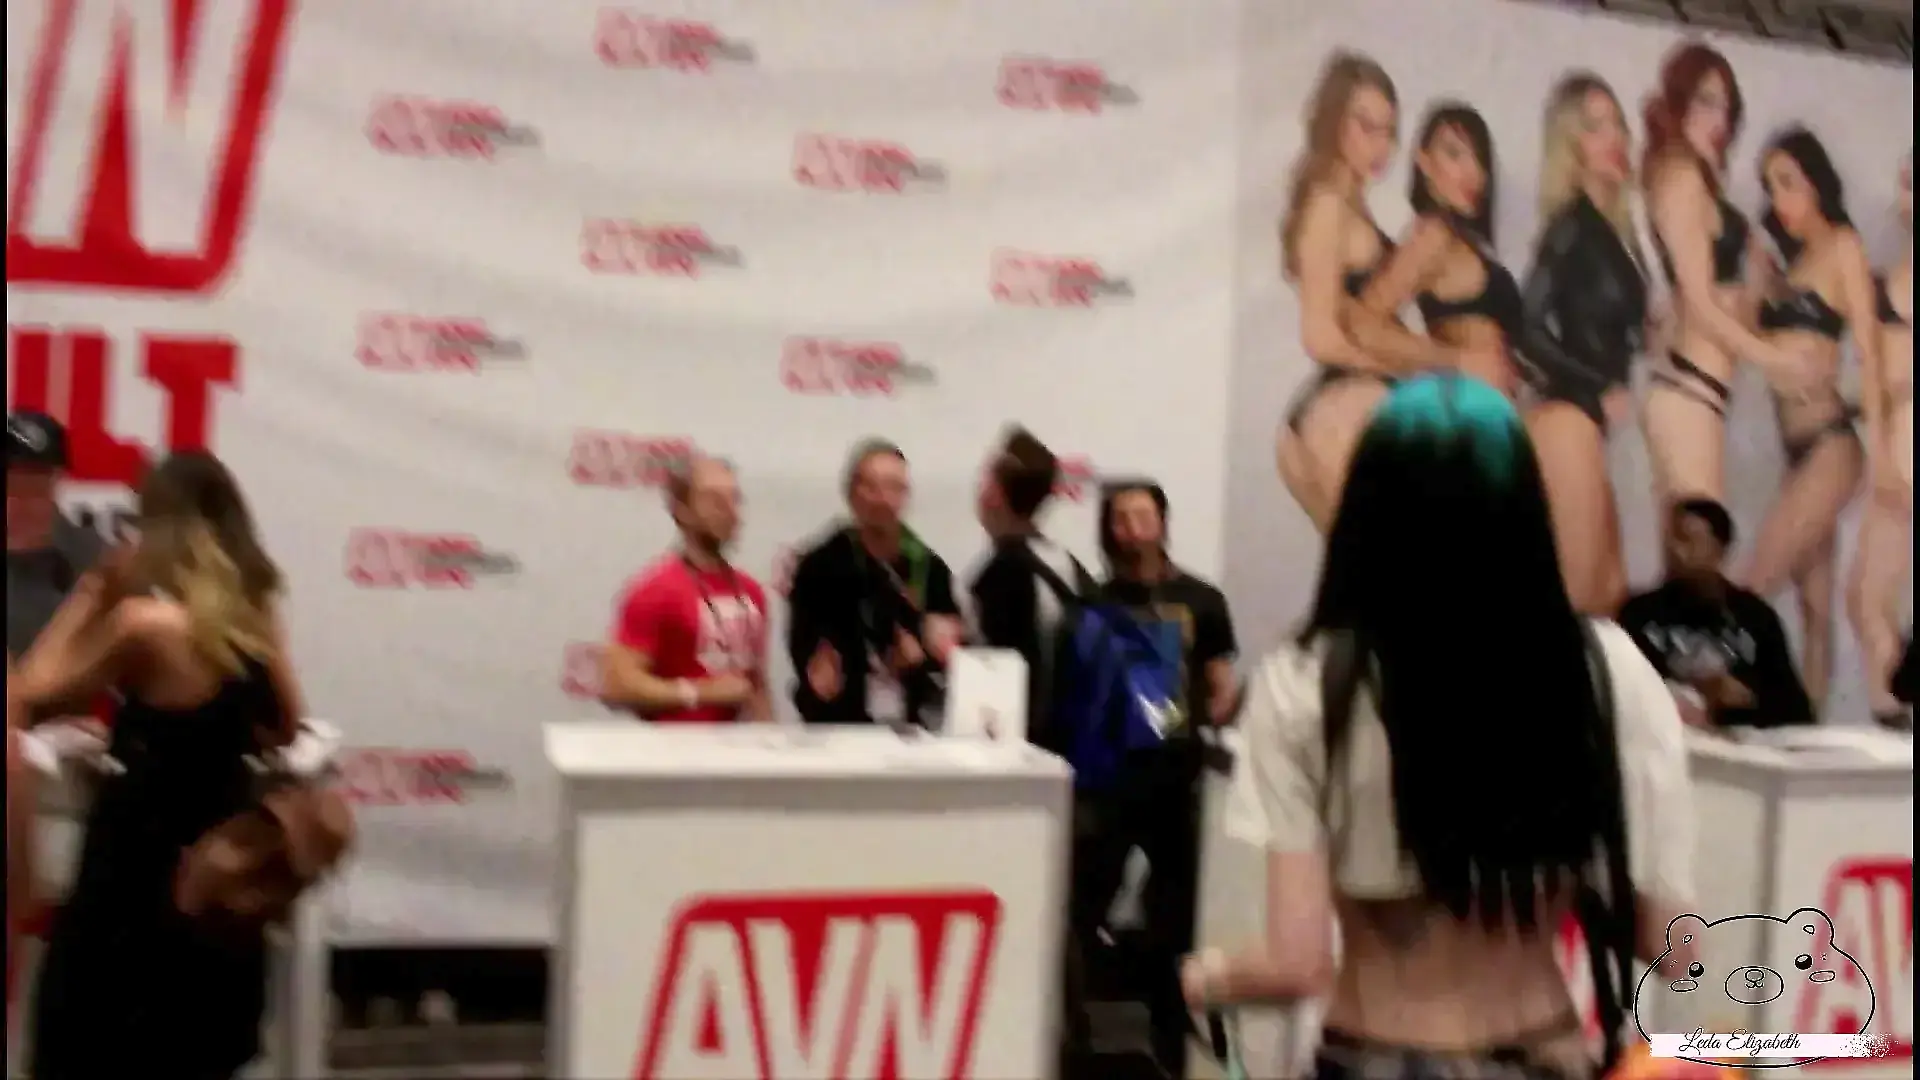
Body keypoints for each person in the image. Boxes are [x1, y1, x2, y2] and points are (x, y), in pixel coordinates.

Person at [1184, 373, 1694, 1080]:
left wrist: (1204, 977)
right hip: (1542, 1052)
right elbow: (1675, 950)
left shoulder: (1307, 681)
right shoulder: (1606, 668)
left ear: (1367, 507)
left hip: (1369, 1055)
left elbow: (1297, 962)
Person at [12, 450, 307, 1079]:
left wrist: (94, 589)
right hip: (219, 862)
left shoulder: (144, 626)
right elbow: (286, 723)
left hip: (136, 872)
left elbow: (31, 689)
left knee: (95, 1046)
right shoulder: (255, 615)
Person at [1073, 480, 1236, 1079]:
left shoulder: (1202, 598)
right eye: (1121, 518)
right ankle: (1075, 1038)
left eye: (1143, 516)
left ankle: (1174, 1044)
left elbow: (1221, 685)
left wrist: (1199, 718)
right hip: (1107, 784)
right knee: (1082, 906)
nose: (1133, 528)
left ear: (1164, 522)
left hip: (1175, 783)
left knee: (1178, 919)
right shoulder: (1091, 601)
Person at [1278, 52, 1477, 534]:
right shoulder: (1328, 204)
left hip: (1343, 406)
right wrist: (1401, 369)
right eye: (1365, 126)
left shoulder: (1349, 201)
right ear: (1333, 121)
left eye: (1388, 130)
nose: (1379, 144)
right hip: (1346, 404)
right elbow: (1320, 337)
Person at [1738, 128, 1875, 710]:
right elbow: (1746, 335)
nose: (1780, 199)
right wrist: (1756, 279)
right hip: (1798, 451)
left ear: (1817, 182)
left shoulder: (1843, 245)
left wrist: (1887, 454)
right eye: (1771, 187)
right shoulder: (1787, 267)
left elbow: (1869, 350)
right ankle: (1808, 727)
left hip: (1831, 445)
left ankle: (1709, 706)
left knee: (1753, 584)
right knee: (1814, 609)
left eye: (1789, 182)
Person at [1641, 41, 1807, 509]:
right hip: (1689, 388)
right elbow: (1699, 301)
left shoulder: (1697, 180)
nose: (1719, 120)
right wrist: (1773, 359)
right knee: (1701, 545)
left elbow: (1720, 292)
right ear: (1678, 101)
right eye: (1706, 101)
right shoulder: (1681, 176)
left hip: (1696, 390)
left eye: (1727, 108)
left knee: (1694, 545)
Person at [1519, 73, 1650, 616]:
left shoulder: (1611, 228)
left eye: (1617, 123)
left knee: (1607, 597)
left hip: (1584, 422)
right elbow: (1526, 328)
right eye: (1595, 127)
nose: (1614, 136)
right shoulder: (1571, 224)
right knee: (1576, 599)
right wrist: (1599, 388)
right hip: (1566, 418)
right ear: (1571, 145)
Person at [787, 439, 963, 727]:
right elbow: (803, 645)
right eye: (871, 486)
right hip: (838, 728)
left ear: (906, 496)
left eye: (894, 487)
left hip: (913, 730)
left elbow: (952, 655)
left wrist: (928, 655)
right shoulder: (819, 566)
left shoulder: (929, 567)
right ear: (850, 493)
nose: (883, 499)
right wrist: (819, 664)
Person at [1357, 101, 1523, 397]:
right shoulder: (1432, 236)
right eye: (1454, 154)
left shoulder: (1464, 237)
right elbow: (1363, 325)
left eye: (1478, 159)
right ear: (1424, 161)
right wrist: (1457, 360)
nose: (1472, 172)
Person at [601, 454, 771, 723]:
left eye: (734, 499)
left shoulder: (751, 592)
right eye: (714, 500)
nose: (729, 511)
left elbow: (756, 686)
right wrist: (699, 693)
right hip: (674, 747)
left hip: (738, 746)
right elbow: (616, 685)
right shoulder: (655, 591)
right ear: (681, 510)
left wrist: (771, 738)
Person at [1621, 498, 1814, 730]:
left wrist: (1746, 700)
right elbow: (1623, 696)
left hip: (1742, 742)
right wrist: (1694, 690)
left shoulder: (1755, 616)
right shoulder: (1639, 615)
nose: (1674, 551)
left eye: (1687, 540)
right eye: (1670, 540)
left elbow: (1797, 711)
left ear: (1719, 551)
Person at [964, 426, 1093, 749]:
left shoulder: (1001, 573)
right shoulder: (1067, 564)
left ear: (994, 494)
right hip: (1075, 746)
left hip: (1027, 750)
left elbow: (993, 676)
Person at [1848, 154, 1912, 729]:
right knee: (1867, 598)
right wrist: (1881, 452)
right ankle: (1893, 721)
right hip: (1897, 443)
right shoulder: (1881, 283)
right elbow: (1872, 379)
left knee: (1871, 598)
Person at [7, 411, 106, 665]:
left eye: (35, 490)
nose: (19, 505)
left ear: (57, 482)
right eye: (10, 488)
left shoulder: (93, 560)